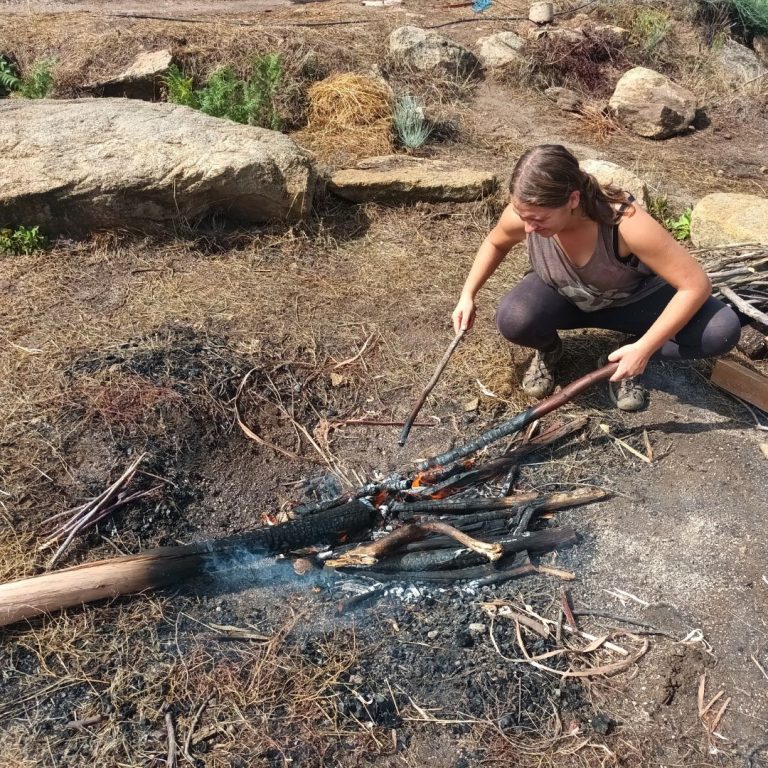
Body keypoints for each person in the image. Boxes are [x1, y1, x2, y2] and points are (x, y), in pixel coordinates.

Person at [452, 144, 742, 411]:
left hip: (630, 304)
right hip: (565, 300)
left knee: (721, 330)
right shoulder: (527, 213)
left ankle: (623, 356)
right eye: (522, 215)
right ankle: (550, 351)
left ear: (573, 199)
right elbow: (496, 242)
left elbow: (696, 284)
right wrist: (468, 295)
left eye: (539, 220)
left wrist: (645, 348)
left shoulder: (625, 224)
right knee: (514, 318)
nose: (527, 228)